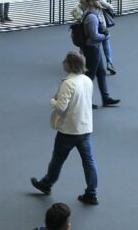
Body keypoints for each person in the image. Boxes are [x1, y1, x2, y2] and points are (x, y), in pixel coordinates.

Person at [31, 51, 98, 205]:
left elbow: (61, 107)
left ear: (70, 64)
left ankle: (46, 184)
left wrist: (52, 101)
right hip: (85, 128)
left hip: (68, 130)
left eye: (65, 61)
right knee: (89, 162)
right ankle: (91, 193)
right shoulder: (87, 80)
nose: (63, 62)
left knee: (57, 160)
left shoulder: (68, 83)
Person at [79, 0, 120, 108]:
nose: (100, 1)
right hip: (92, 48)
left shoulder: (90, 13)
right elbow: (94, 36)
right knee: (89, 76)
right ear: (91, 2)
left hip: (94, 48)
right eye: (97, 0)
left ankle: (105, 98)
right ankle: (84, 101)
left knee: (101, 72)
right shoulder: (92, 17)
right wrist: (106, 36)